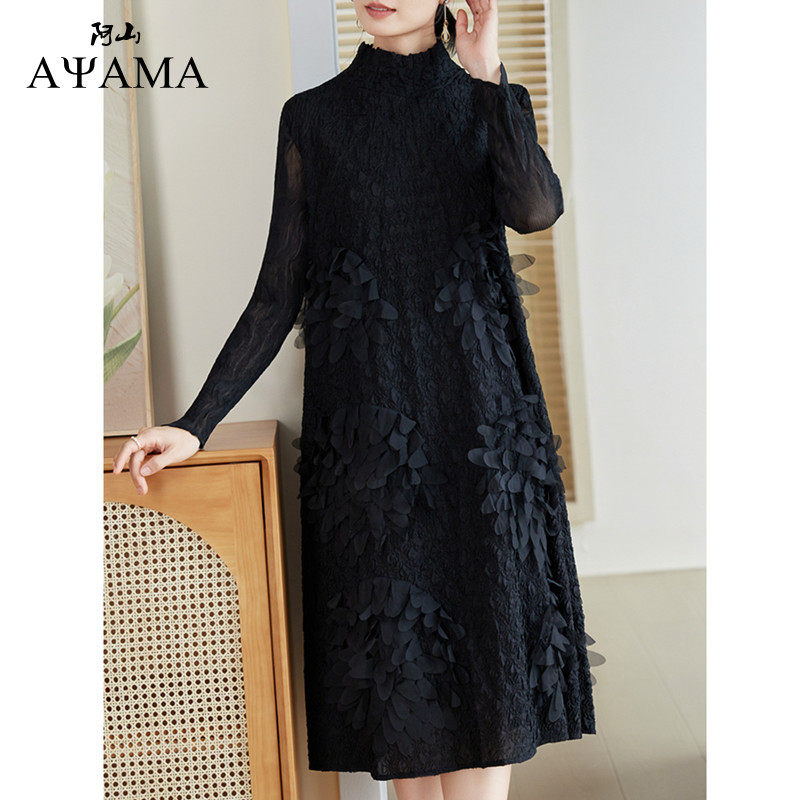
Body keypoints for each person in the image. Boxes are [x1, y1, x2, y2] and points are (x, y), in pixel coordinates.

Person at [113, 1, 597, 798]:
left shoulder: (484, 100)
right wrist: (194, 425)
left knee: (487, 667)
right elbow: (278, 294)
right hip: (371, 448)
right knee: (403, 694)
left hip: (478, 428)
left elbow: (535, 210)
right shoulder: (314, 119)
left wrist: (487, 76)